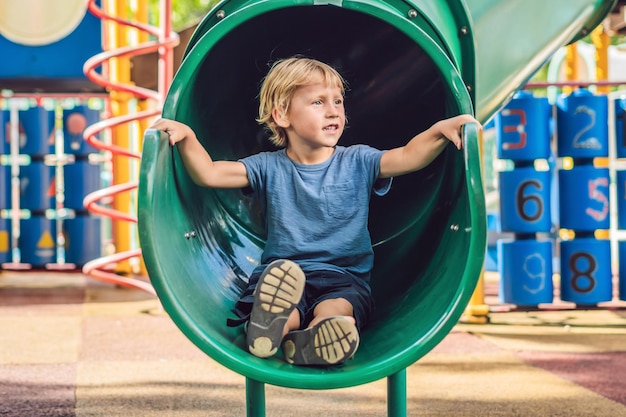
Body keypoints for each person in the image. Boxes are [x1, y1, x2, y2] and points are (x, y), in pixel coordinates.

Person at [149, 56, 480, 367]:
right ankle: (275, 329)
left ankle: (312, 337)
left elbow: (407, 155)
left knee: (336, 309)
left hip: (343, 277)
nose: (333, 111)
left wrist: (440, 130)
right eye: (318, 102)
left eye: (337, 101)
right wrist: (188, 137)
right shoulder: (267, 167)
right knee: (283, 304)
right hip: (283, 273)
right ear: (282, 115)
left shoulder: (358, 161)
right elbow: (209, 173)